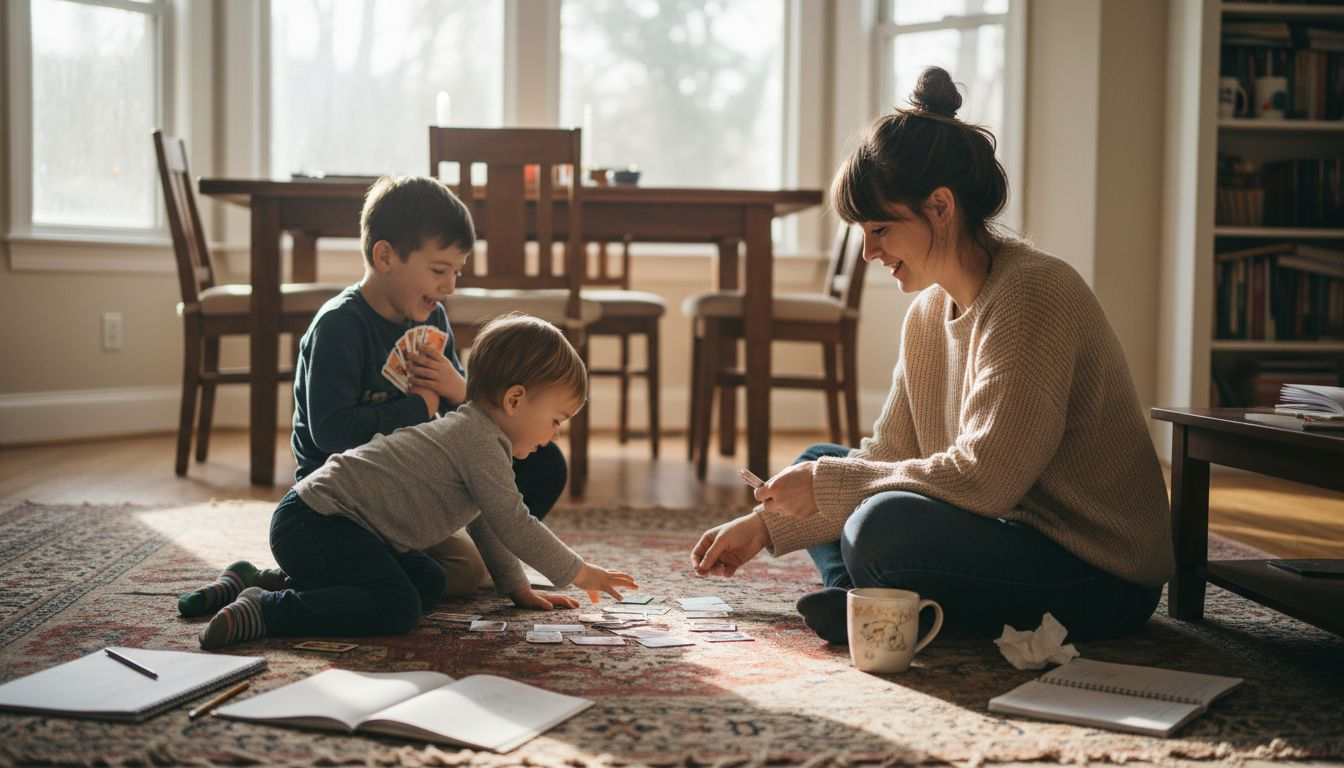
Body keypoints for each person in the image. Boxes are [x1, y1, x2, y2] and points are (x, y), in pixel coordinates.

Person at [690, 66, 1173, 644]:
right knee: (825, 460)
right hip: (1005, 530)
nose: (869, 252)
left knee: (874, 520)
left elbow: (987, 478)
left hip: (1094, 574)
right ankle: (871, 603)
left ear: (941, 208)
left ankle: (871, 603)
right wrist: (763, 524)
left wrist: (829, 487)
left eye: (881, 229)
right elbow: (892, 452)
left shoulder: (1034, 293)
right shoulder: (927, 313)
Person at [188, 313, 637, 649]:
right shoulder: (478, 441)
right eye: (557, 419)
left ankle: (264, 579)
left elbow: (486, 521)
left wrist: (515, 587)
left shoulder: (480, 435)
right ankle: (268, 609)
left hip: (333, 526)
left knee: (426, 578)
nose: (555, 434)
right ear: (515, 400)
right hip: (315, 522)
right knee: (396, 606)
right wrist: (579, 573)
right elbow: (514, 521)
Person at [292, 175, 567, 597]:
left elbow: (468, 428)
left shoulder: (432, 319)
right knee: (445, 577)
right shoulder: (340, 326)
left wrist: (459, 388)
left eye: (456, 271)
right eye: (439, 270)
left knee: (540, 465)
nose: (450, 285)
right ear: (385, 256)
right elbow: (329, 432)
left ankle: (356, 570)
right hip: (344, 499)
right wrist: (419, 406)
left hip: (411, 490)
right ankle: (295, 576)